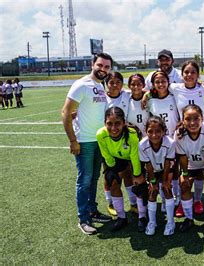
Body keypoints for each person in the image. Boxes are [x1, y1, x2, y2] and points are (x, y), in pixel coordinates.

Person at [61, 52, 114, 235]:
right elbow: (65, 112)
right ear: (93, 64)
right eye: (100, 65)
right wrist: (73, 140)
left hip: (99, 140)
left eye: (107, 67)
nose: (103, 69)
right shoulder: (81, 85)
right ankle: (83, 219)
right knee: (84, 180)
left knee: (93, 179)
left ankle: (93, 211)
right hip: (84, 141)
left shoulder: (100, 86)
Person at [97, 107, 145, 232]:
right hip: (114, 159)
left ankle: (142, 216)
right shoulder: (101, 134)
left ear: (124, 122)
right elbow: (106, 155)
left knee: (139, 184)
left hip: (132, 157)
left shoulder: (132, 134)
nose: (113, 128)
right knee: (113, 181)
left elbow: (134, 156)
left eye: (117, 123)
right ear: (104, 123)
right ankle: (121, 217)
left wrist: (137, 174)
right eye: (109, 124)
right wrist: (115, 172)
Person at [175, 104, 204, 232]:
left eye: (196, 118)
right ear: (183, 120)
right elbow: (183, 157)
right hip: (191, 163)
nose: (192, 123)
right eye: (188, 119)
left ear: (202, 118)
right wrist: (184, 174)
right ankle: (189, 218)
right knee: (184, 185)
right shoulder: (179, 134)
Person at [147, 70, 181, 211]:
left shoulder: (174, 96)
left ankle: (177, 196)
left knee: (175, 168)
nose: (161, 84)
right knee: (160, 170)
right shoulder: (150, 100)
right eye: (157, 82)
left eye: (163, 81)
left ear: (168, 82)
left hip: (175, 139)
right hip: (158, 141)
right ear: (153, 84)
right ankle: (164, 195)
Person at [139, 115, 176, 236]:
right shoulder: (142, 145)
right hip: (152, 170)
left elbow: (167, 163)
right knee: (152, 192)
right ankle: (152, 222)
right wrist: (153, 182)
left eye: (158, 131)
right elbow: (148, 165)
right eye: (150, 131)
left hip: (166, 169)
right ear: (146, 131)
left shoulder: (170, 142)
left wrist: (165, 180)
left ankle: (170, 222)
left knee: (167, 189)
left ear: (164, 131)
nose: (154, 135)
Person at [103, 72, 132, 217]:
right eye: (111, 82)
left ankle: (133, 203)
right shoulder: (101, 98)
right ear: (106, 84)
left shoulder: (126, 95)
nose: (114, 85)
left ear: (122, 84)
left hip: (125, 139)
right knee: (109, 174)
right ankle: (110, 202)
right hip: (108, 141)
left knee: (129, 172)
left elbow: (145, 92)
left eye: (118, 82)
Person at [127, 73, 149, 138]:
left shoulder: (149, 99)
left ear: (144, 85)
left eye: (139, 84)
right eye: (133, 84)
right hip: (131, 137)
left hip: (147, 137)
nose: (136, 87)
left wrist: (147, 94)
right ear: (128, 86)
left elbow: (155, 90)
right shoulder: (125, 97)